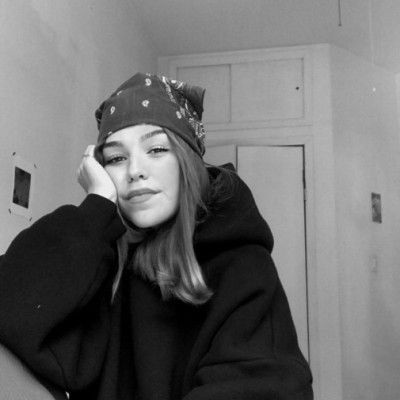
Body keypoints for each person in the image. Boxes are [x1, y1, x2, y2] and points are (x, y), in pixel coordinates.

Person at [0, 72, 313, 399]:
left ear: (187, 163)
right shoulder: (102, 260)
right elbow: (12, 314)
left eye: (157, 149)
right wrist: (96, 206)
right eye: (116, 158)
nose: (135, 170)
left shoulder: (241, 266)